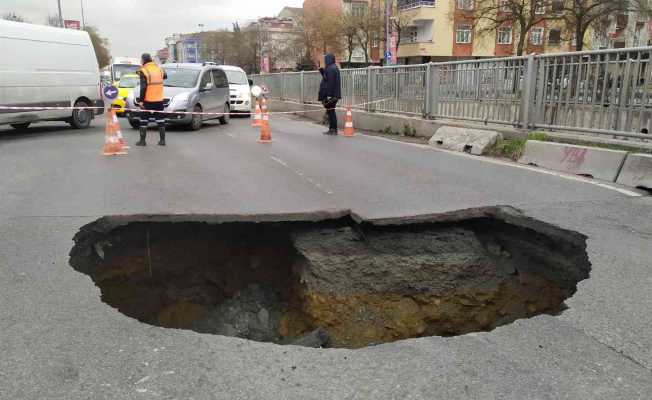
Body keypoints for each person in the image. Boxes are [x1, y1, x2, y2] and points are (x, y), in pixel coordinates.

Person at [135, 53, 167, 146]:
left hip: (148, 101)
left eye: (141, 60)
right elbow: (165, 76)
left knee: (143, 120)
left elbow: (143, 87)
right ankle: (162, 141)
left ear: (144, 60)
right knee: (160, 120)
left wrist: (141, 101)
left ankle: (142, 141)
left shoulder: (144, 71)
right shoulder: (159, 69)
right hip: (159, 100)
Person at [320, 54, 341, 135]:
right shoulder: (334, 67)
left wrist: (328, 95)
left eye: (325, 59)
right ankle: (332, 129)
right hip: (334, 94)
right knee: (331, 111)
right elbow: (328, 80)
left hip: (331, 95)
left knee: (331, 112)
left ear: (328, 59)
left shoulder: (331, 69)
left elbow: (330, 83)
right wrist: (323, 73)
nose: (325, 61)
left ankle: (333, 129)